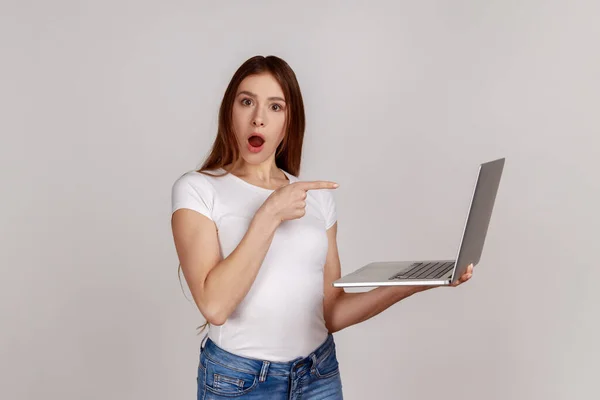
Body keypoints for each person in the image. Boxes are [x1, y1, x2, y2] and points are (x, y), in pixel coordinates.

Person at [170, 55, 474, 400]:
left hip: (318, 374)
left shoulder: (315, 198)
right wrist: (269, 214)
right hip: (240, 382)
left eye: (275, 107)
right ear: (230, 111)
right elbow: (215, 306)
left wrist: (419, 281)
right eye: (247, 102)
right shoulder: (198, 189)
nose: (258, 118)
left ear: (289, 121)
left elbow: (331, 311)